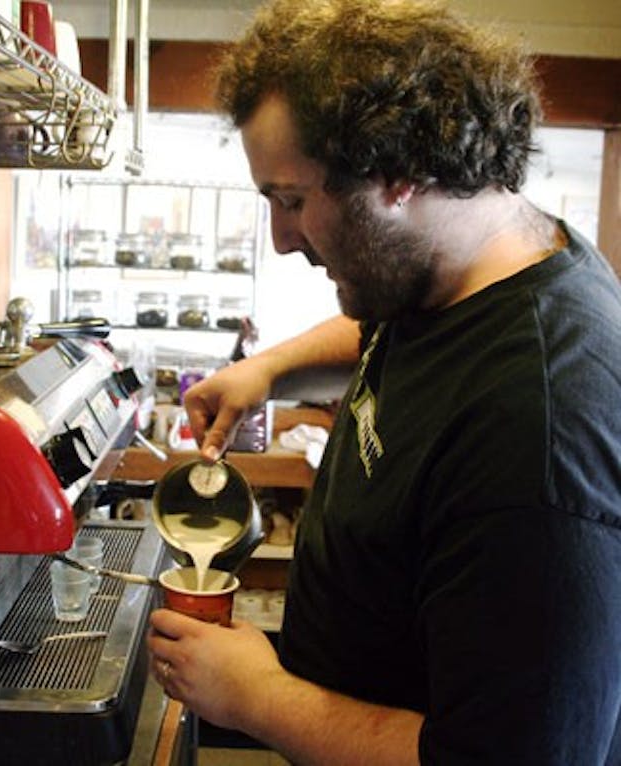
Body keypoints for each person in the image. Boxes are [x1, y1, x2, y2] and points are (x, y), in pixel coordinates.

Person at [145, 1, 621, 763]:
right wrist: (271, 370)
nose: (281, 238)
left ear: (397, 170)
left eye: (292, 200)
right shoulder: (466, 267)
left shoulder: (539, 437)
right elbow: (400, 332)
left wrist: (259, 699)